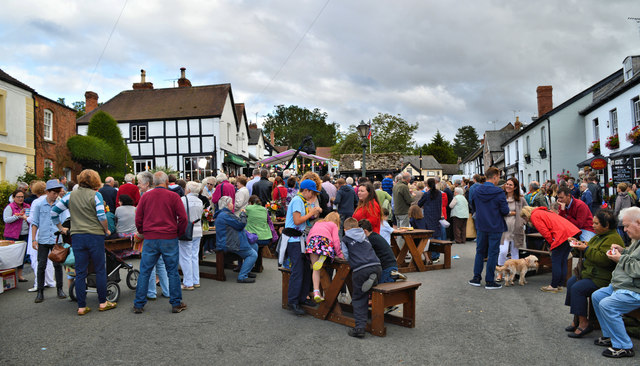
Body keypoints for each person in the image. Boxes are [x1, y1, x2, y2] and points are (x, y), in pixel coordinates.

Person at [52, 170, 116, 315]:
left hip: (77, 236)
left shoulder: (70, 195)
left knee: (80, 272)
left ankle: (81, 307)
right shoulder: (96, 195)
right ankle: (103, 302)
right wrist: (106, 230)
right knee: (99, 269)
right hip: (95, 236)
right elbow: (101, 215)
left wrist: (61, 227)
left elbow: (54, 212)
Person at [133, 171, 188, 314]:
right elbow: (183, 218)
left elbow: (138, 218)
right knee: (172, 272)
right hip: (169, 237)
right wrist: (178, 233)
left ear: (153, 183)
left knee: (145, 271)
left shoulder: (145, 197)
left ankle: (139, 303)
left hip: (151, 238)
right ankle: (176, 303)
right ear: (167, 182)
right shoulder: (174, 196)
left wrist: (143, 231)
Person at [563, 209, 623, 338]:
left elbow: (603, 260)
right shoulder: (599, 236)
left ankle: (584, 323)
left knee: (577, 288)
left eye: (596, 224)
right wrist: (578, 245)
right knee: (571, 282)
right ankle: (577, 319)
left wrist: (586, 249)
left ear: (606, 225)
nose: (593, 226)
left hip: (602, 277)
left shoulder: (613, 238)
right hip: (591, 273)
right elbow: (590, 247)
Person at [591, 207, 640, 358]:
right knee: (597, 296)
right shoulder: (636, 240)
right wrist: (623, 250)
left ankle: (624, 346)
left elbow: (637, 269)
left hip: (635, 290)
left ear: (638, 222)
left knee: (607, 305)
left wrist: (620, 258)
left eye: (626, 226)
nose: (624, 230)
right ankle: (610, 336)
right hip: (625, 286)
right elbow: (633, 258)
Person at [281, 179, 323, 316]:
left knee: (305, 269)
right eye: (313, 193)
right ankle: (293, 301)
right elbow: (298, 220)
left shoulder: (301, 201)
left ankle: (301, 297)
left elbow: (302, 221)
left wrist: (313, 214)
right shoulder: (298, 201)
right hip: (294, 239)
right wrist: (312, 213)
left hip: (299, 239)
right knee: (298, 270)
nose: (314, 196)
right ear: (307, 191)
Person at [520, 206, 580, 292]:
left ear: (526, 215)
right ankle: (560, 284)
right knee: (563, 260)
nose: (526, 221)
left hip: (561, 236)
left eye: (524, 218)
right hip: (570, 232)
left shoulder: (534, 216)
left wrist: (552, 242)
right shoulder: (542, 211)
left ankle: (554, 285)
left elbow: (545, 232)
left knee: (556, 261)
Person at [468, 167, 510, 290]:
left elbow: (473, 205)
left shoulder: (476, 190)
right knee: (493, 253)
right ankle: (489, 281)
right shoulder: (499, 192)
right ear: (495, 176)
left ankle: (476, 278)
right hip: (495, 225)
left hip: (481, 224)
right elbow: (505, 210)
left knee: (480, 251)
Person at [341, 217, 382, 338]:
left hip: (360, 268)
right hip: (376, 265)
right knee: (367, 287)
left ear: (345, 229)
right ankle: (373, 279)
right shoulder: (364, 236)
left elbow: (346, 256)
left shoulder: (346, 239)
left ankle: (359, 328)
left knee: (359, 298)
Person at [31, 179, 67, 303]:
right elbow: (34, 223)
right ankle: (40, 292)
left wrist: (63, 229)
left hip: (56, 238)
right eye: (53, 192)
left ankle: (60, 289)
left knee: (57, 264)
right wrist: (34, 239)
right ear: (47, 192)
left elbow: (65, 221)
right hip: (43, 239)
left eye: (57, 192)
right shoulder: (39, 205)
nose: (56, 195)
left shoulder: (60, 204)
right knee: (41, 265)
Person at [213, 196, 258, 283]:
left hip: (228, 240)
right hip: (230, 242)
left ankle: (246, 270)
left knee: (254, 245)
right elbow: (241, 224)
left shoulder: (223, 214)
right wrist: (243, 215)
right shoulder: (226, 215)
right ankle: (242, 276)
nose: (232, 204)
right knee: (253, 254)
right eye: (231, 203)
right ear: (227, 204)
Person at [305, 212, 341, 302]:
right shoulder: (333, 225)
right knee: (329, 248)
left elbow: (309, 237)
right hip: (325, 243)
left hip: (313, 243)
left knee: (315, 269)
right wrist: (340, 254)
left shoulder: (317, 223)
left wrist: (309, 246)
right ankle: (324, 256)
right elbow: (336, 241)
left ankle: (316, 292)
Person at [497, 177, 528, 280]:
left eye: (510, 185)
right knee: (503, 251)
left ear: (515, 187)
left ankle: (513, 274)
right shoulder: (501, 197)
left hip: (516, 229)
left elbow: (527, 212)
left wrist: (522, 222)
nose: (508, 186)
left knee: (515, 252)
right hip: (503, 229)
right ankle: (501, 272)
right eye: (507, 184)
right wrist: (511, 213)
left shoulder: (521, 199)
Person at [359, 219, 404, 283]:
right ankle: (393, 275)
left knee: (379, 288)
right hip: (391, 265)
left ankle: (391, 276)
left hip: (386, 268)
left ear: (365, 231)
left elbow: (362, 253)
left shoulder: (369, 240)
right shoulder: (375, 236)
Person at [178, 181, 204, 290]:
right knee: (194, 256)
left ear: (188, 190)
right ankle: (195, 280)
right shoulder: (200, 201)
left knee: (185, 257)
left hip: (187, 230)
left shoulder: (183, 200)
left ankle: (188, 282)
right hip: (198, 230)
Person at [3, 189, 30, 282]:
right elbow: (6, 219)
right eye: (18, 197)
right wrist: (18, 216)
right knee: (11, 256)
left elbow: (30, 217)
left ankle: (19, 275)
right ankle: (10, 276)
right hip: (12, 235)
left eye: (22, 197)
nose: (20, 199)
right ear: (14, 198)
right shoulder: (10, 207)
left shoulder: (27, 206)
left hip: (25, 234)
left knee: (22, 256)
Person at [417, 178, 444, 261]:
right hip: (437, 215)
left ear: (427, 185)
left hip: (428, 216)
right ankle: (436, 255)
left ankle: (432, 255)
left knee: (430, 236)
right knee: (437, 235)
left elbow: (419, 204)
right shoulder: (439, 193)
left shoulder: (426, 194)